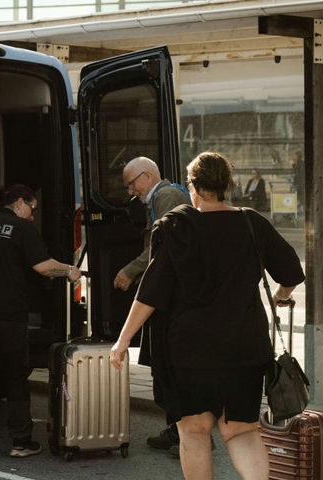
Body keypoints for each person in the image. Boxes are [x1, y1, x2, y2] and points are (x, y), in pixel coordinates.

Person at [109, 152, 304, 480]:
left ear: (193, 187)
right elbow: (292, 272)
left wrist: (123, 339)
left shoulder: (174, 226)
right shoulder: (250, 221)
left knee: (195, 432)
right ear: (228, 185)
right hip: (245, 346)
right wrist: (280, 297)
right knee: (241, 432)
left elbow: (151, 292)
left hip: (189, 350)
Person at [0, 184, 81, 460]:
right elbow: (43, 267)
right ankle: (20, 442)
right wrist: (69, 270)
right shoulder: (21, 229)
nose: (33, 216)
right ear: (20, 203)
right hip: (9, 317)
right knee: (15, 378)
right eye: (32, 209)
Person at [112, 156, 191, 455]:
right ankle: (179, 429)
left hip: (171, 298)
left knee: (168, 366)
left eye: (131, 184)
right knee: (164, 365)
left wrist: (130, 270)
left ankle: (185, 431)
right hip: (169, 294)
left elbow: (161, 247)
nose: (131, 191)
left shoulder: (166, 195)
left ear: (146, 176)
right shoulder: (162, 196)